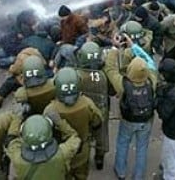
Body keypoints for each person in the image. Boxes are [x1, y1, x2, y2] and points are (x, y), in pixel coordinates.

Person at [103, 39, 158, 180]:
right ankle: (138, 176)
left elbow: (110, 68)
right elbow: (148, 58)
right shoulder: (152, 79)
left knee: (123, 142)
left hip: (128, 119)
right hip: (147, 119)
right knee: (142, 148)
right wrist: (134, 46)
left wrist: (115, 49)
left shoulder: (122, 84)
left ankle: (120, 171)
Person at [43, 67, 103, 180]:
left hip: (62, 152)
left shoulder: (50, 110)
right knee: (82, 175)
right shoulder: (87, 103)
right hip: (82, 151)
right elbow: (97, 122)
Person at [74, 41, 110, 170]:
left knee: (84, 136)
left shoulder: (77, 75)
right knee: (101, 136)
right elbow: (112, 91)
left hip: (83, 111)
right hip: (101, 111)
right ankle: (99, 159)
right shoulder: (104, 74)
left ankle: (84, 160)